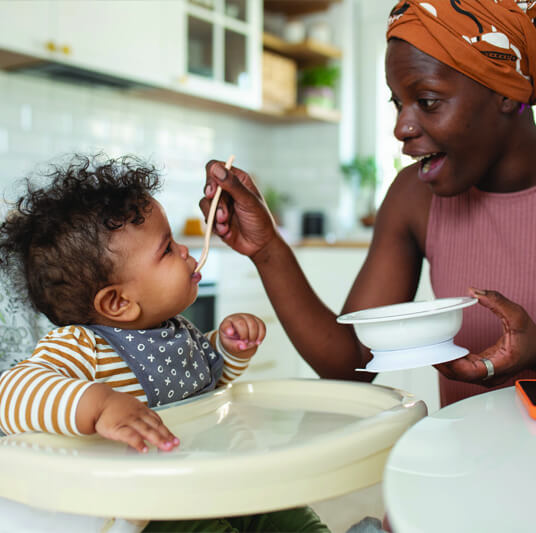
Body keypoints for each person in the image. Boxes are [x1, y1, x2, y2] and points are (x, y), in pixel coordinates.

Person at [200, 0, 536, 410]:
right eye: (397, 103)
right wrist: (266, 247)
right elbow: (353, 362)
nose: (401, 128)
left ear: (504, 91)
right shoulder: (413, 197)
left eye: (427, 101)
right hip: (466, 465)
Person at [0, 154, 329, 533]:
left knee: (281, 504)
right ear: (118, 303)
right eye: (168, 249)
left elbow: (205, 383)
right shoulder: (81, 345)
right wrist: (101, 405)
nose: (186, 250)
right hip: (148, 505)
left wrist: (226, 349)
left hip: (210, 472)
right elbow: (13, 391)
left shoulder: (174, 331)